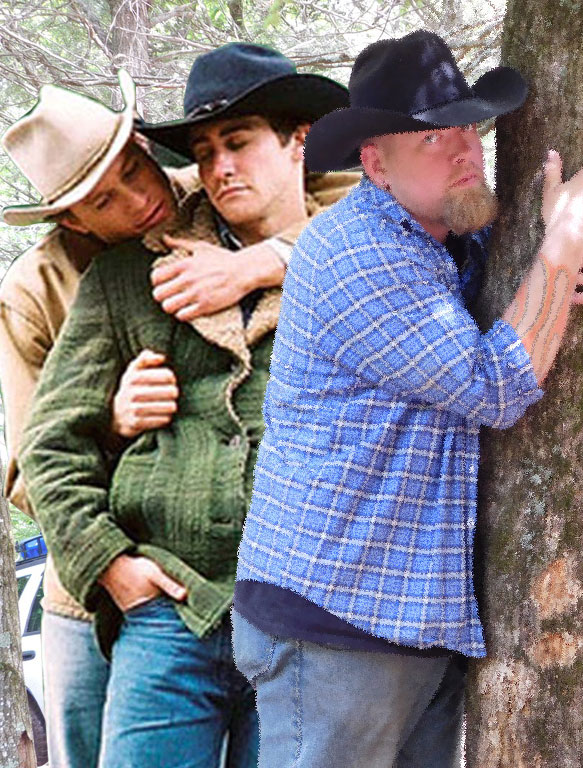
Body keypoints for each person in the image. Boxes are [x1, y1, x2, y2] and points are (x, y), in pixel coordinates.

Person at [232, 30, 583, 768]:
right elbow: (497, 385)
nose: (464, 149)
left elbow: (569, 400)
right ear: (376, 164)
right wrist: (564, 241)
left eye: (468, 128)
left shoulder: (460, 243)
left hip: (417, 619)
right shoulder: (357, 250)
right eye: (431, 138)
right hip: (335, 617)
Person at [0, 65, 352, 768]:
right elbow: (35, 459)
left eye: (136, 170)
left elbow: (377, 216)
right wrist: (114, 435)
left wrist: (263, 262)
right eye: (106, 199)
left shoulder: (218, 183)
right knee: (94, 743)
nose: (140, 200)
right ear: (73, 218)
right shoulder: (35, 291)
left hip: (285, 596)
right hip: (119, 586)